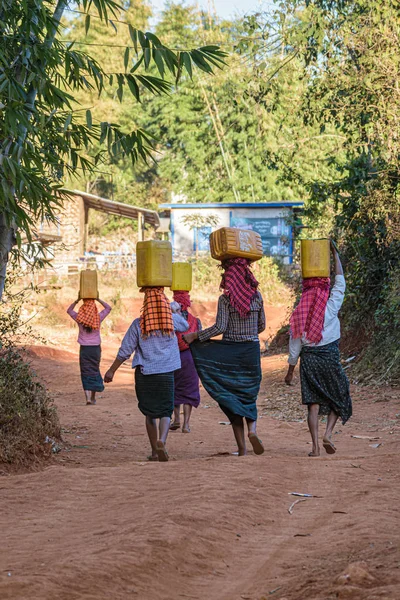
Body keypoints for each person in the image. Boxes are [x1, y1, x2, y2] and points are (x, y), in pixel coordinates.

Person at [183, 258, 266, 457]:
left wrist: (196, 336)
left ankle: (242, 448)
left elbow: (220, 328)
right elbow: (261, 326)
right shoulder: (257, 297)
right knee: (248, 394)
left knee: (231, 397)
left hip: (231, 352)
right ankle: (252, 431)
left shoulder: (226, 300)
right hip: (251, 352)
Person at [104, 287, 188, 462]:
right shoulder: (171, 321)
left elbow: (125, 350)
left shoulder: (139, 323)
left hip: (146, 374)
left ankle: (154, 452)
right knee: (166, 411)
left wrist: (112, 370)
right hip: (166, 373)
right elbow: (186, 325)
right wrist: (172, 309)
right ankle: (162, 441)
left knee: (150, 414)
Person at [284, 242, 352, 457]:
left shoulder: (300, 313)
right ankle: (328, 434)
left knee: (312, 404)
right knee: (339, 396)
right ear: (324, 288)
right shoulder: (330, 307)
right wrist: (334, 254)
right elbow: (340, 283)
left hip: (309, 361)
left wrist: (290, 371)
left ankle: (314, 447)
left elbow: (294, 345)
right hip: (330, 356)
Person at [67, 297, 111, 405]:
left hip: (84, 349)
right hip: (95, 349)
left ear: (83, 308)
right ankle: (93, 397)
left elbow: (69, 310)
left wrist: (77, 300)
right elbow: (108, 308)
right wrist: (98, 299)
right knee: (94, 370)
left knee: (85, 371)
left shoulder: (79, 318)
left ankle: (87, 398)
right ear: (94, 308)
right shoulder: (98, 318)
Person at [169, 293, 202, 433]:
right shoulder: (195, 321)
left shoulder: (170, 318)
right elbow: (200, 338)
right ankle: (186, 424)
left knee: (174, 388)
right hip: (190, 357)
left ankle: (176, 418)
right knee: (189, 389)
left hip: (173, 356)